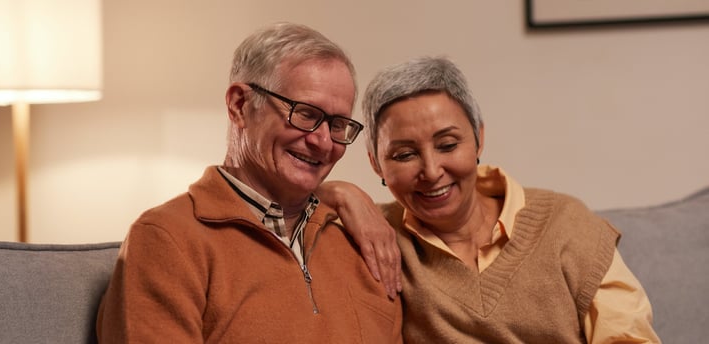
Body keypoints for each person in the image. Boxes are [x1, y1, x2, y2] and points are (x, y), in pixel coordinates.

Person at [95, 22, 403, 343]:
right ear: (239, 105)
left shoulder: (367, 243)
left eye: (337, 124)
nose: (324, 143)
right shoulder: (167, 239)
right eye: (306, 114)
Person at [322, 56, 660, 343]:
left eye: (448, 145)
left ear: (478, 138)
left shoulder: (566, 223)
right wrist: (338, 192)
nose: (431, 170)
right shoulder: (374, 238)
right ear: (375, 163)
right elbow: (274, 208)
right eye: (405, 154)